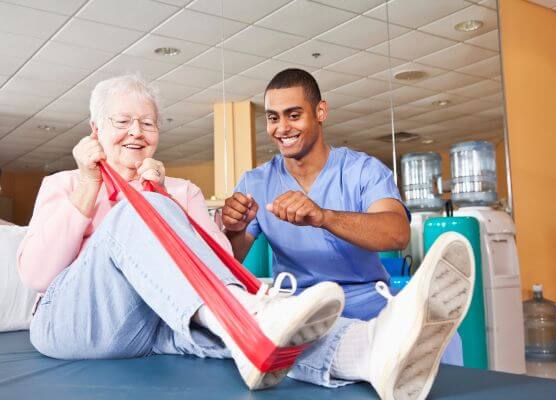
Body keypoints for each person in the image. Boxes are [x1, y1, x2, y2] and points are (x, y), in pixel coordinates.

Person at [18, 74, 474, 400]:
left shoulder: (183, 191)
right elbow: (39, 275)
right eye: (122, 122)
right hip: (74, 322)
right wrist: (97, 185)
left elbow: (217, 271)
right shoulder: (66, 184)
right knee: (147, 212)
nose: (136, 133)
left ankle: (368, 351)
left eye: (148, 123)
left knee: (240, 332)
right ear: (96, 131)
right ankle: (256, 316)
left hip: (150, 326)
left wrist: (167, 198)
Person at [222, 69, 463, 364]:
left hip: (365, 303)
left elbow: (397, 232)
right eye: (273, 118)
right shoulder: (254, 182)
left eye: (294, 115)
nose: (282, 128)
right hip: (297, 307)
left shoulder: (363, 170)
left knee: (447, 343)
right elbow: (229, 260)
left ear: (320, 111)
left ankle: (418, 305)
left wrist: (323, 216)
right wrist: (234, 230)